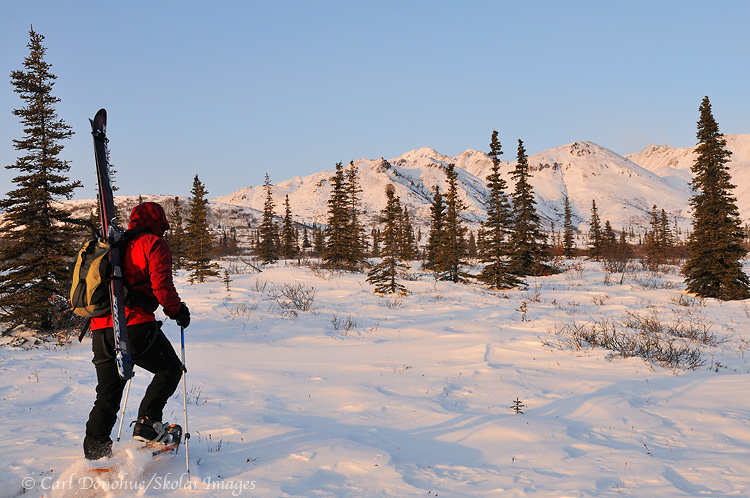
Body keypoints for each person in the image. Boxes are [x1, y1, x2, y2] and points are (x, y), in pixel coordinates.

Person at [83, 202, 190, 461]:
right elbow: (161, 286)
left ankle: (96, 452)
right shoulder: (152, 243)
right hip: (134, 324)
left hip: (101, 329)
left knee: (107, 394)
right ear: (160, 221)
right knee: (170, 369)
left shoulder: (114, 243)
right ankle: (148, 425)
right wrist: (177, 311)